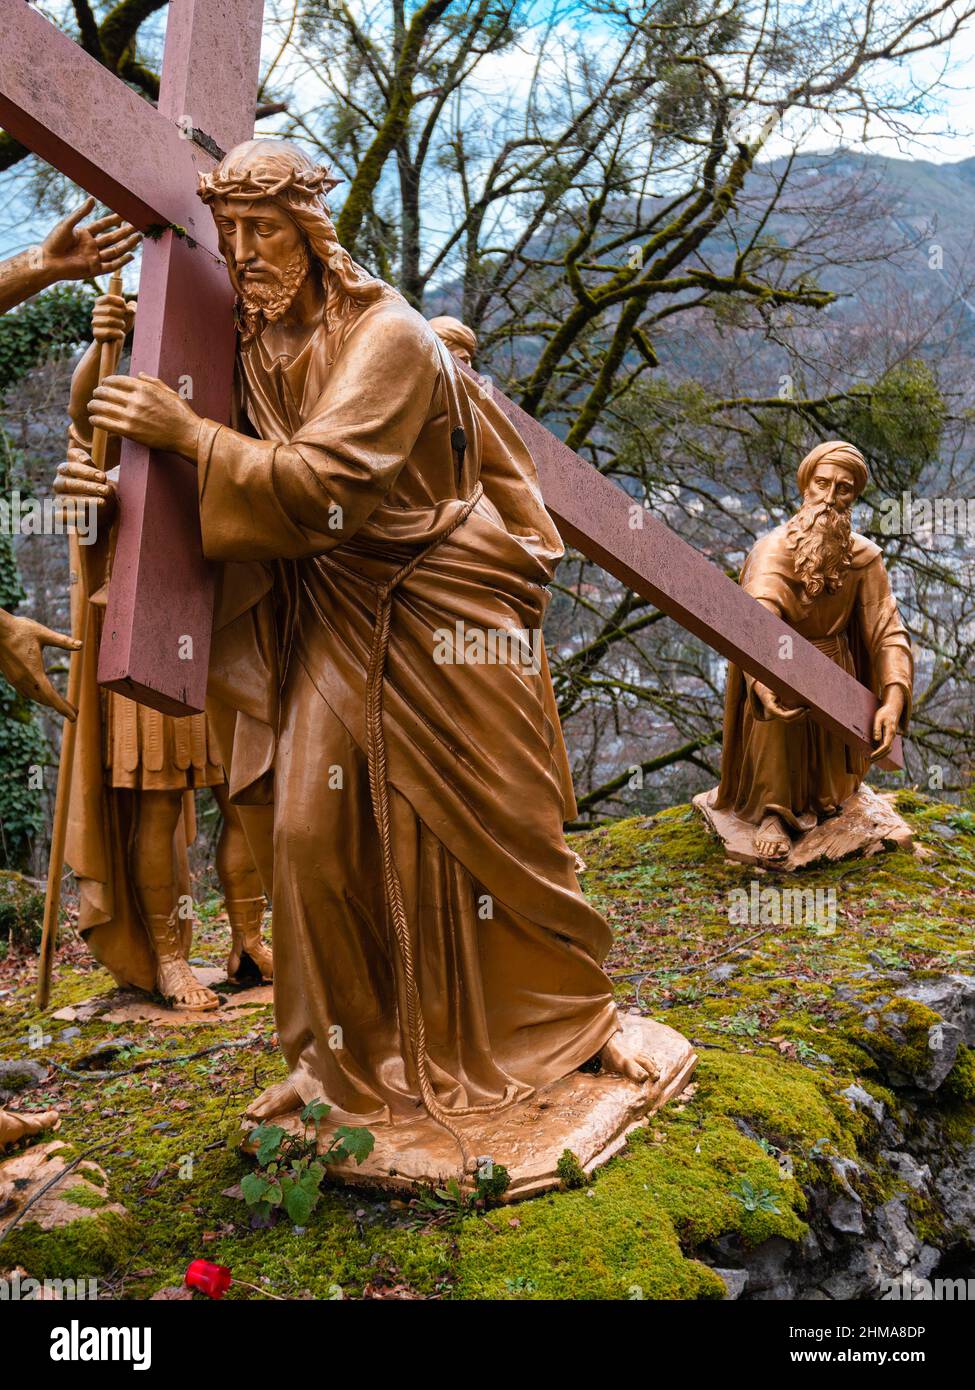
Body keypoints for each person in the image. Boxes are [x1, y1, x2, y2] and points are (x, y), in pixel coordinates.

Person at [58, 139, 658, 1144]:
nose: (244, 252)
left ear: (313, 233)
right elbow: (176, 461)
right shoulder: (244, 341)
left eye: (267, 230)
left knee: (503, 828)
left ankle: (571, 1023)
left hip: (449, 600)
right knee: (306, 836)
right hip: (336, 605)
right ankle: (332, 1063)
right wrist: (113, 490)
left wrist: (186, 435)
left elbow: (325, 486)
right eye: (232, 231)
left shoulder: (394, 336)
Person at [57, 292, 272, 1010]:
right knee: (157, 807)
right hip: (143, 628)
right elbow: (92, 411)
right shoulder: (105, 460)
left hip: (221, 630)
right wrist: (102, 340)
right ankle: (171, 958)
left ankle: (249, 938)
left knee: (244, 795)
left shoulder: (210, 422)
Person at [711, 440, 913, 861]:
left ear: (854, 496)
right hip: (778, 666)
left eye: (843, 489)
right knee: (779, 701)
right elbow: (758, 623)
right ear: (806, 486)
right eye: (821, 483)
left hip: (836, 672)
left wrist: (893, 700)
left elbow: (887, 631)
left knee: (835, 792)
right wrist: (762, 677)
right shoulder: (773, 551)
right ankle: (774, 812)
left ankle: (830, 796)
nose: (829, 498)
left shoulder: (864, 557)